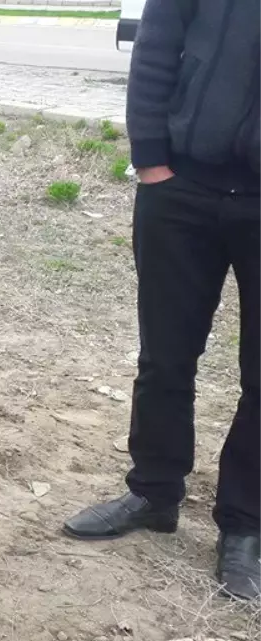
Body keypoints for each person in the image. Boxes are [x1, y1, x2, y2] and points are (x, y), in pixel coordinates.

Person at [61, 0, 260, 600]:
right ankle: (153, 492)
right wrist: (149, 159)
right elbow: (153, 52)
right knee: (165, 357)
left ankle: (245, 525)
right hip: (181, 190)